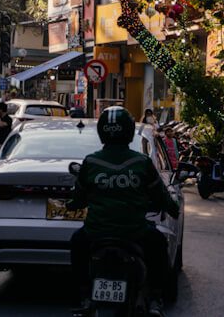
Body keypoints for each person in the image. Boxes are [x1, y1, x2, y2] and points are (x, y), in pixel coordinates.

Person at [68, 106, 179, 317]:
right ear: (128, 132)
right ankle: (155, 298)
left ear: (102, 132)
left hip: (96, 233)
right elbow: (162, 196)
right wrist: (173, 209)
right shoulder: (141, 162)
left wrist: (71, 206)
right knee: (158, 245)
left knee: (76, 243)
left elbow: (78, 199)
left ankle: (82, 296)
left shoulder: (91, 162)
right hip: (135, 232)